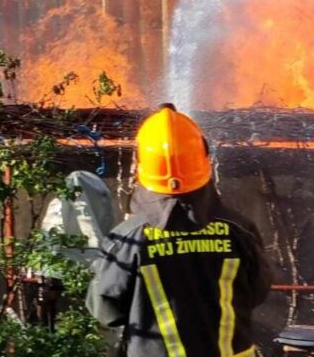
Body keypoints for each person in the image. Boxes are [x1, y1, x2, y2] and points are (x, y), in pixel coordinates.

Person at [88, 104, 271, 357]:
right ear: (204, 158)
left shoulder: (128, 239)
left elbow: (106, 311)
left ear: (142, 166)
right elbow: (257, 292)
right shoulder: (239, 230)